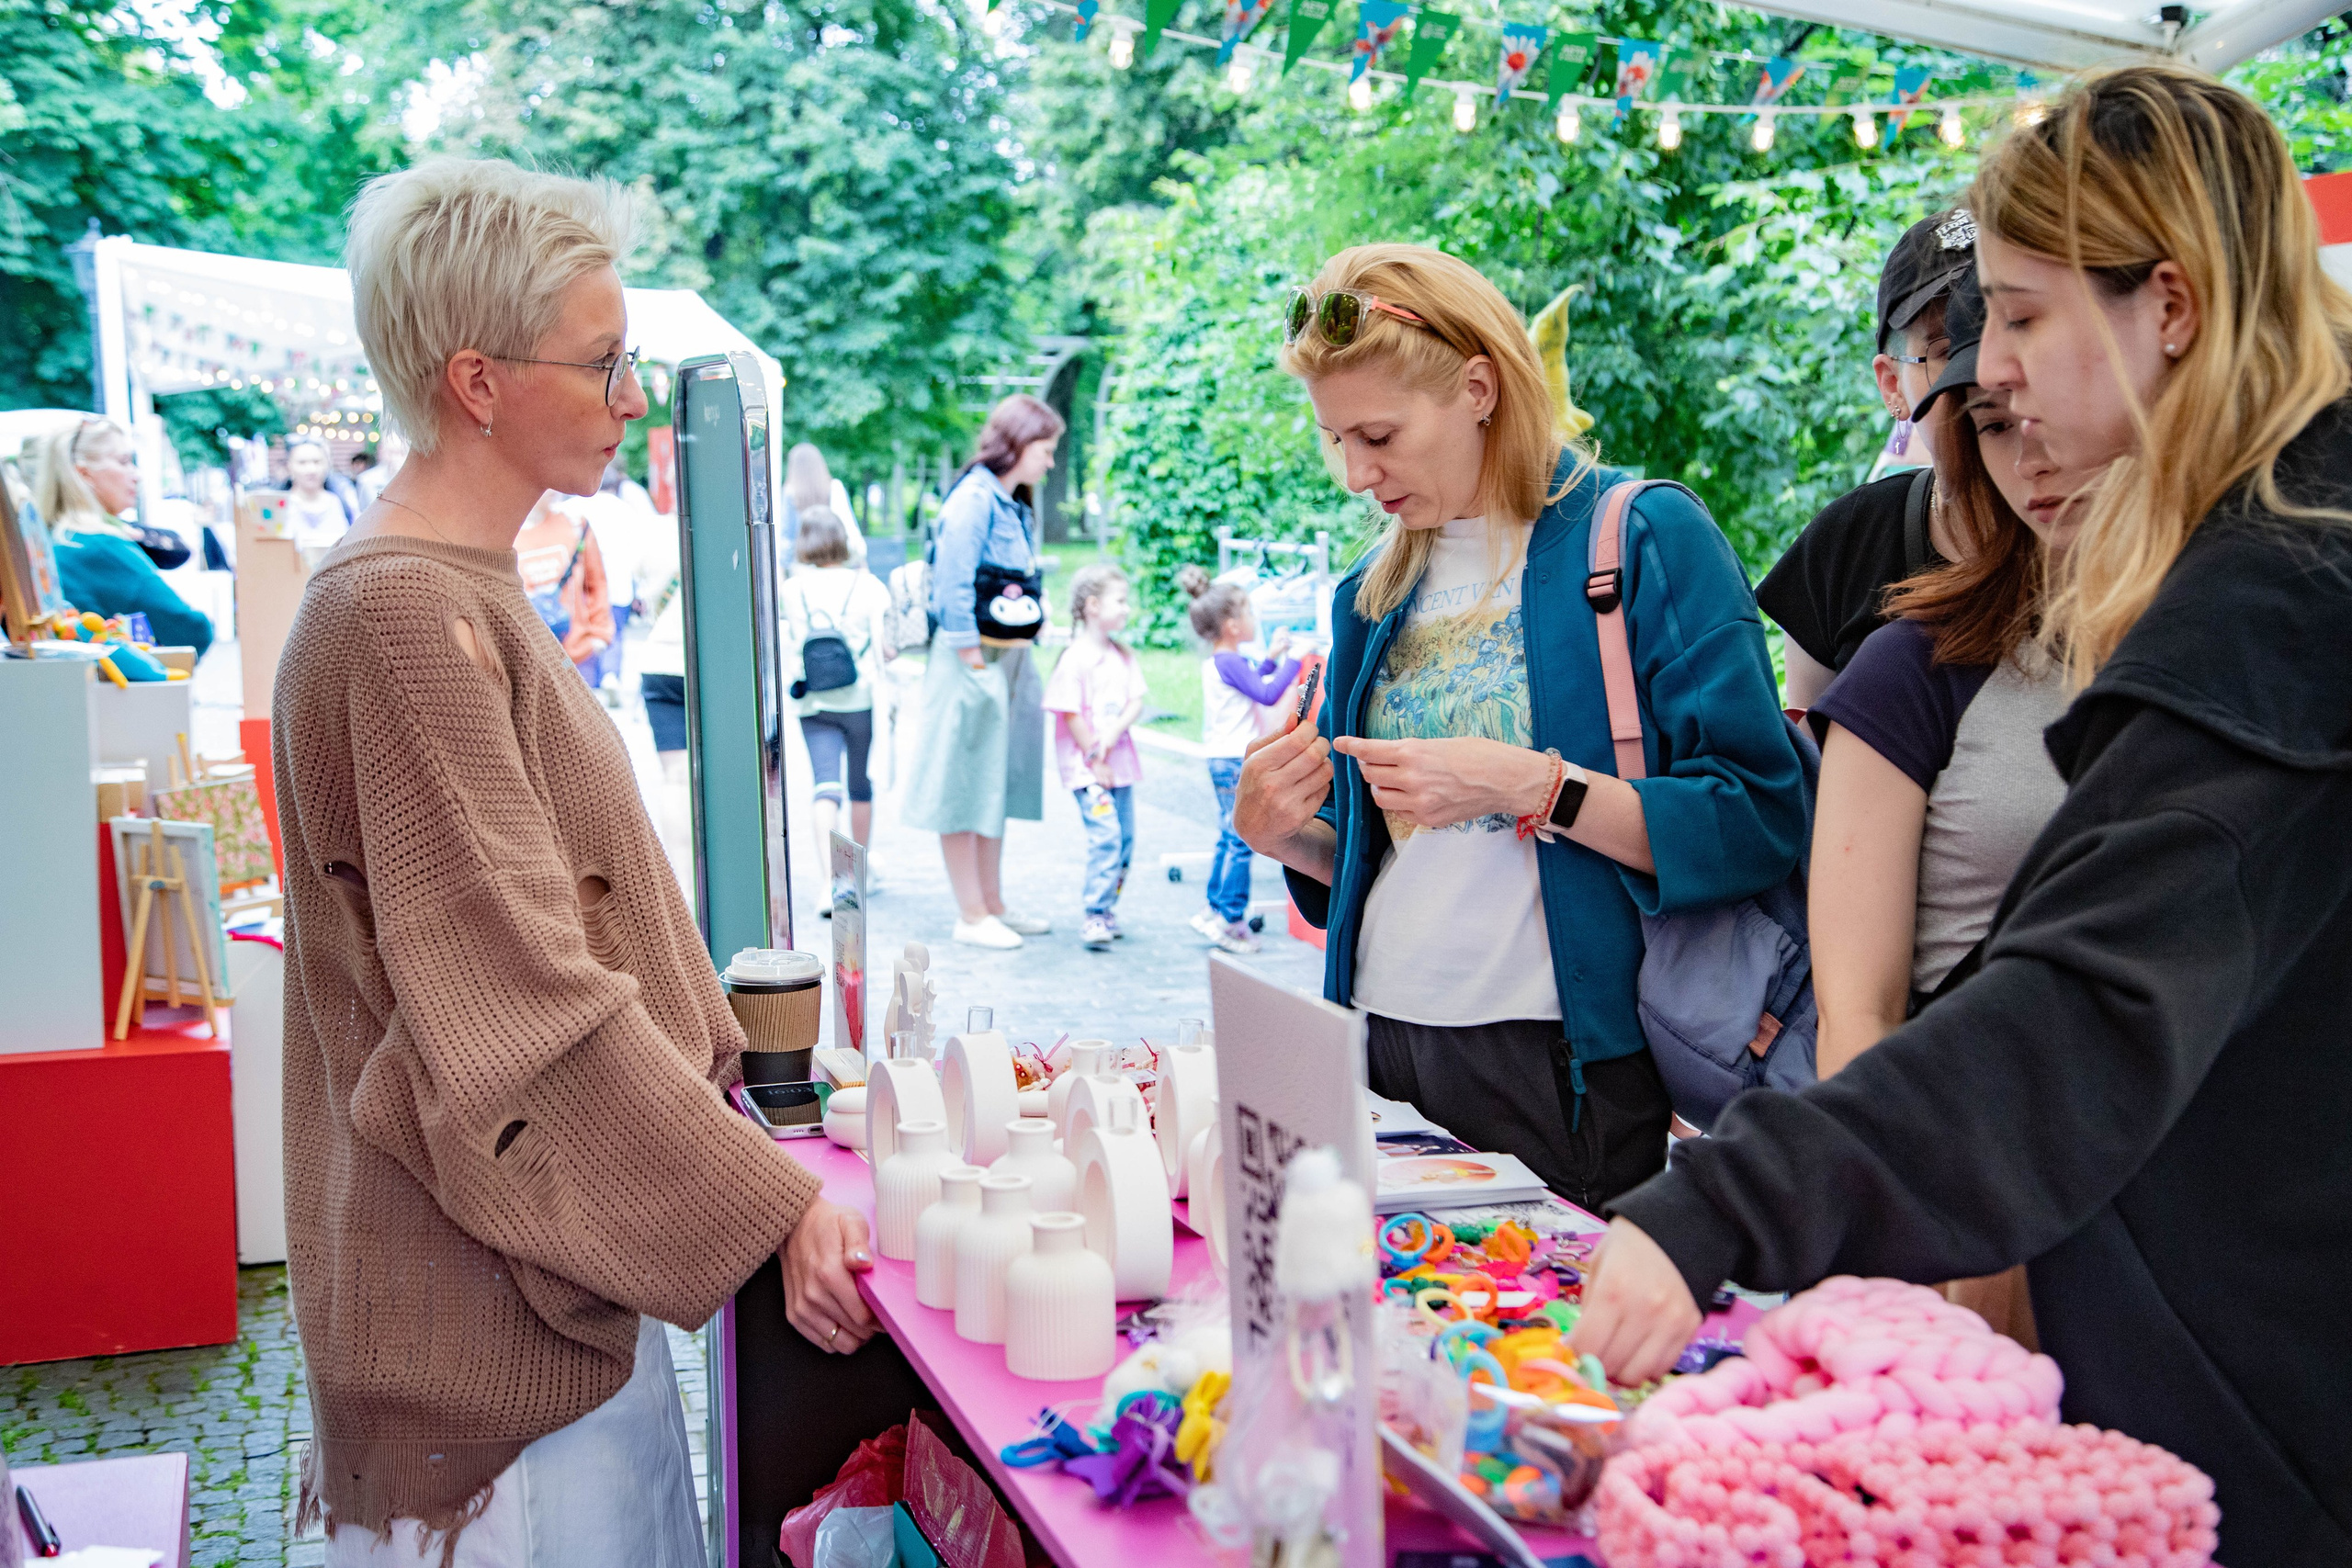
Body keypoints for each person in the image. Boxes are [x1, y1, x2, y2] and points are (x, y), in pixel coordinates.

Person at [1570, 66, 2352, 1568]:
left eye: (2023, 311)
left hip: (2262, 1412)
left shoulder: (2280, 598)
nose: (1996, 360)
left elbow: (2077, 1007)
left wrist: (1722, 1203)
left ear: (2169, 306)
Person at [275, 156, 873, 1567]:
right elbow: (520, 1007)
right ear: (477, 381)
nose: (630, 398)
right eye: (604, 363)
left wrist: (738, 1094)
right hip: (486, 1345)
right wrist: (769, 1203)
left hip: (538, 1292)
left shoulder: (460, 587)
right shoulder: (405, 617)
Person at [1235, 244, 1806, 1213]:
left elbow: (1756, 816)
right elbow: (1382, 858)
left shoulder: (1644, 537)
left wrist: (1532, 786)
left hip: (1563, 1069)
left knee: (1535, 1361)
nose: (1352, 475)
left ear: (1478, 385)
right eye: (1336, 441)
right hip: (1377, 1042)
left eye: (1377, 434)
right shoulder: (1368, 596)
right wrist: (1277, 830)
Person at [1804, 268, 2097, 1348]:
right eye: (1990, 424)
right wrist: (1924, 1261)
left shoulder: (2240, 646)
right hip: (1981, 1216)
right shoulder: (1914, 670)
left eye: (2049, 409)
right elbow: (1857, 1014)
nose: (2032, 454)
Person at [1758, 209, 1979, 708]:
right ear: (1891, 384)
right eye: (1948, 347)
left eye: (2011, 329)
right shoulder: (1843, 546)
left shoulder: (2105, 545)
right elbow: (1810, 761)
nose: (1982, 369)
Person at [902, 393, 1066, 950]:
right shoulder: (974, 501)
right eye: (1045, 450)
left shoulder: (1006, 501)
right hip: (973, 660)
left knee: (994, 783)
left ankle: (991, 905)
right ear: (1019, 445)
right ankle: (971, 914)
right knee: (963, 784)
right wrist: (974, 664)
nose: (1049, 462)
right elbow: (952, 583)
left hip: (1003, 659)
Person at [1182, 565, 1301, 956]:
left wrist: (1271, 659)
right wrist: (1294, 665)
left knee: (1227, 834)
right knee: (1241, 838)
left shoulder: (1223, 662)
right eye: (1249, 612)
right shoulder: (1230, 662)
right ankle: (1230, 920)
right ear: (1232, 626)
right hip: (1235, 759)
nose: (1254, 619)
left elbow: (1253, 680)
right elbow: (1265, 694)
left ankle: (1214, 908)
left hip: (1220, 756)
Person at [30, 419, 214, 656]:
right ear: (84, 473)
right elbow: (193, 632)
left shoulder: (49, 542)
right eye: (124, 462)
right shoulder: (102, 547)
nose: (135, 474)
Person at [782, 505, 895, 888]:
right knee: (859, 783)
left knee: (824, 786)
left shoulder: (791, 589)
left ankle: (833, 882)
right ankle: (856, 878)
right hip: (859, 699)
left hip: (811, 700)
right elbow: (887, 647)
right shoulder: (868, 587)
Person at [1043, 564, 1148, 951]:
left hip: (1119, 767)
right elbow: (1070, 713)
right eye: (1119, 601)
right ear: (1092, 606)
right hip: (1090, 772)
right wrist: (1096, 756)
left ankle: (1107, 908)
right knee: (1106, 837)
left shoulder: (1122, 655)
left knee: (1125, 840)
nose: (1126, 609)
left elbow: (1136, 700)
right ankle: (1095, 913)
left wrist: (1115, 733)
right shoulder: (1074, 659)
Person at [514, 488, 615, 680]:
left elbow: (598, 582)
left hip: (573, 657)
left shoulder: (575, 524)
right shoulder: (506, 534)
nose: (552, 488)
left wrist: (600, 637)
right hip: (530, 661)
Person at [783, 441, 865, 570]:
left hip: (804, 568)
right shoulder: (834, 488)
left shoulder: (790, 493)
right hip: (837, 564)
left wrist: (784, 568)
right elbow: (849, 527)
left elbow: (787, 539)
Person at [281, 436, 355, 553]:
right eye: (302, 463)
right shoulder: (280, 506)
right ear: (289, 466)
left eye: (317, 462)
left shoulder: (340, 502)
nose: (311, 469)